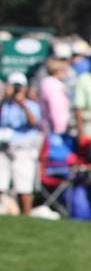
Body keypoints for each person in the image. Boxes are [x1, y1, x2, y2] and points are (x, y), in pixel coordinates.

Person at [1, 73, 42, 215]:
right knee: (1, 185)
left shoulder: (31, 104)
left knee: (24, 188)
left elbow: (33, 122)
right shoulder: (4, 104)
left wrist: (22, 103)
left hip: (23, 149)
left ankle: (26, 216)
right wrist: (4, 98)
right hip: (4, 148)